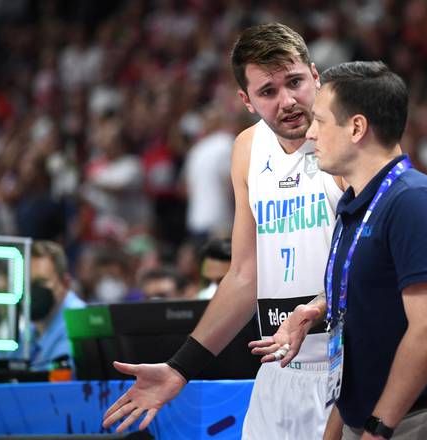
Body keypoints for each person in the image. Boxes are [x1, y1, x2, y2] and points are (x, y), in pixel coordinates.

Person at [102, 23, 344, 439]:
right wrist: (180, 368)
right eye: (268, 91)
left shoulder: (348, 139)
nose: (286, 101)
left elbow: (376, 260)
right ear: (246, 100)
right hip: (277, 372)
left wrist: (318, 308)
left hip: (345, 365)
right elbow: (244, 277)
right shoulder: (247, 150)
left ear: (316, 76)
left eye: (296, 82)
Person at [253, 61, 427, 439]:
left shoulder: (415, 202)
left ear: (357, 127)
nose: (311, 133)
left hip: (426, 422)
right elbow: (360, 305)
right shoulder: (356, 205)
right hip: (370, 419)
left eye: (320, 120)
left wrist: (378, 428)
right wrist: (314, 310)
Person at [28, 240, 86, 371]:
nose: (31, 290)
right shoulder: (27, 328)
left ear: (65, 284)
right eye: (24, 282)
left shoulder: (81, 325)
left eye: (40, 282)